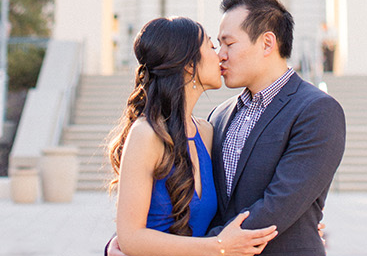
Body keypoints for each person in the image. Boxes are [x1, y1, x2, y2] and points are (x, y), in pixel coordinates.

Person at [107, 0, 347, 256]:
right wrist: (129, 244)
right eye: (214, 45)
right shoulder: (218, 119)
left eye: (227, 44)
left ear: (267, 43)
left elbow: (279, 206)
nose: (220, 55)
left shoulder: (317, 110)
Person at [107, 16, 275, 255]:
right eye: (211, 46)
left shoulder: (206, 132)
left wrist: (298, 228)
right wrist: (219, 247)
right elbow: (131, 237)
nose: (220, 55)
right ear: (188, 65)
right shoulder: (147, 135)